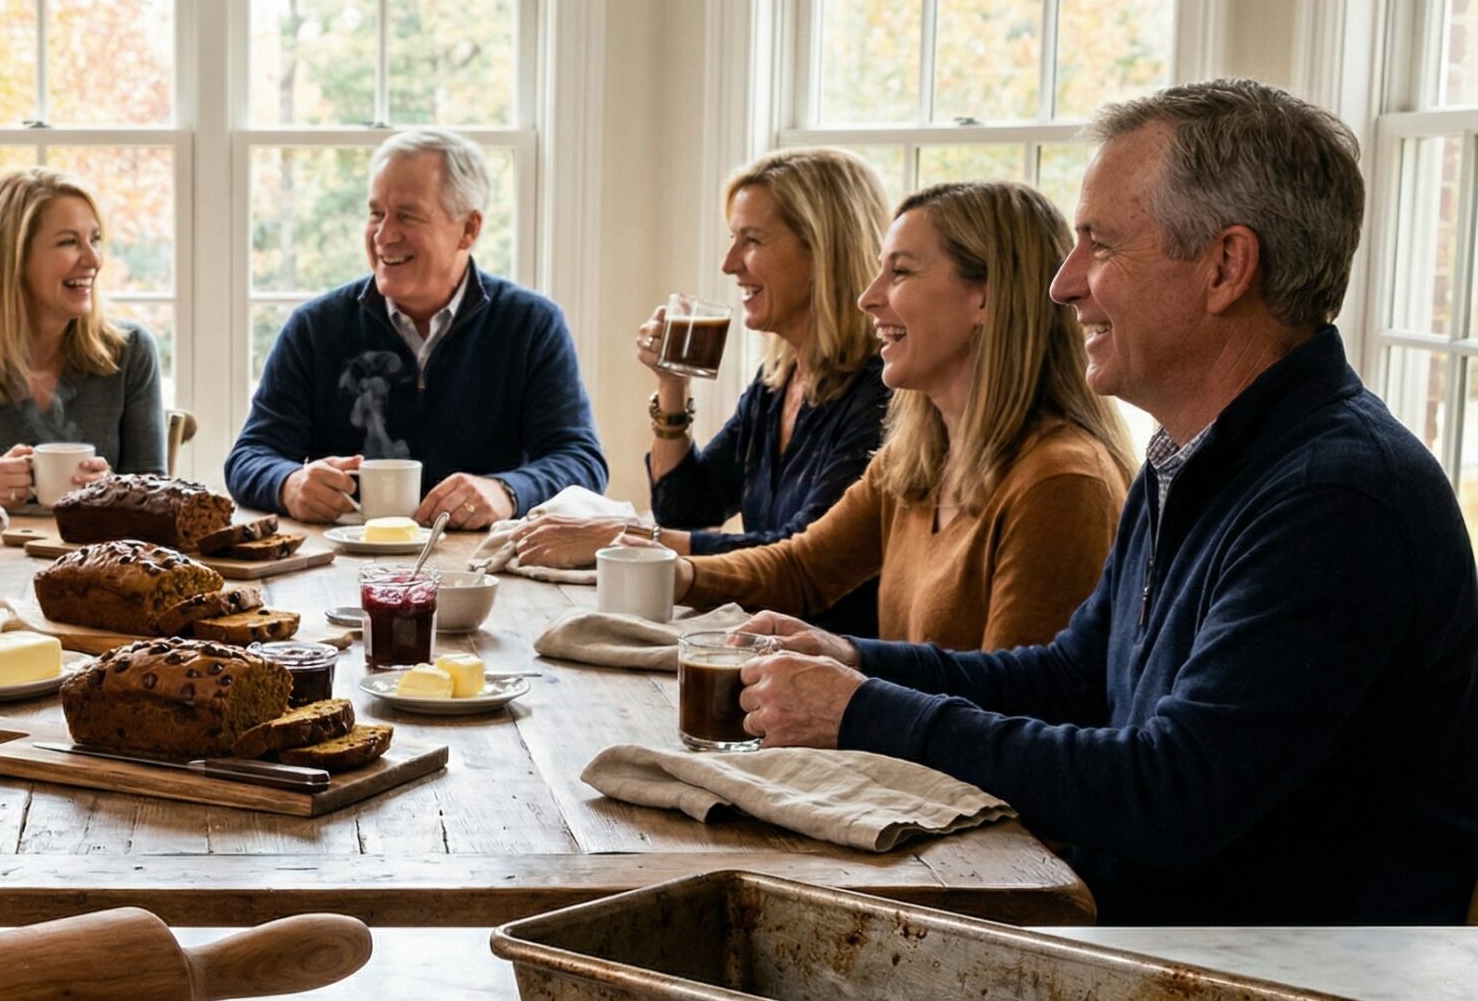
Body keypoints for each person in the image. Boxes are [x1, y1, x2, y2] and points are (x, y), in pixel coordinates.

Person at [739, 80, 1478, 926]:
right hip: (1162, 961)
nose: (1063, 285)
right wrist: (854, 660)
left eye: (1099, 245)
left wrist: (865, 712)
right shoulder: (1188, 456)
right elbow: (1072, 677)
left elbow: (1172, 794)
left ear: (1226, 267)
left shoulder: (1338, 500)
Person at [528, 181, 1135, 652]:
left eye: (899, 272)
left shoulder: (1059, 482)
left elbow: (1015, 702)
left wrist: (850, 682)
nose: (870, 297)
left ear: (986, 297)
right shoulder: (916, 457)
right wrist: (668, 570)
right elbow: (801, 567)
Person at [508, 148, 891, 634]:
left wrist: (629, 537)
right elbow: (689, 507)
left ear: (823, 250)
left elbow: (800, 552)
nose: (730, 263)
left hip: (826, 654)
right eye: (733, 239)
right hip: (765, 635)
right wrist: (672, 384)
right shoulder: (777, 383)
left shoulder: (880, 391)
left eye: (751, 241)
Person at [224, 129, 608, 527]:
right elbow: (250, 455)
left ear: (469, 229)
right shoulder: (315, 327)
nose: (384, 235)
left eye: (408, 215)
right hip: (342, 569)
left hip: (485, 571)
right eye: (376, 213)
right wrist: (288, 483)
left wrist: (507, 491)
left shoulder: (532, 325)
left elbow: (581, 462)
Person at [0, 167, 163, 507]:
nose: (93, 259)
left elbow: (157, 495)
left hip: (96, 558)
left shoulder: (130, 351)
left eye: (95, 239)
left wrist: (112, 490)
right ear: (12, 259)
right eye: (69, 242)